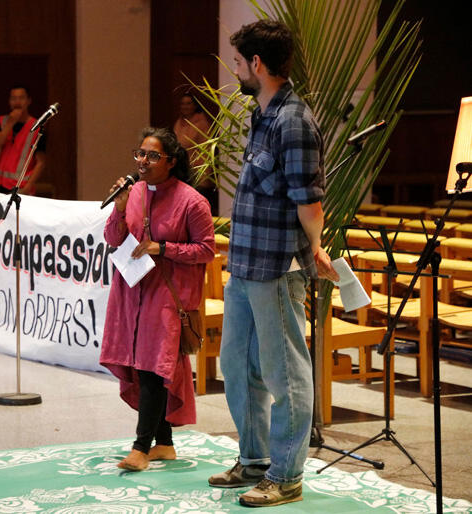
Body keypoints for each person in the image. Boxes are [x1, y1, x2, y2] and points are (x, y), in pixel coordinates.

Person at [206, 20, 339, 507]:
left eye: (238, 62)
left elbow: (310, 201)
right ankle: (255, 458)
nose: (235, 69)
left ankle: (286, 474)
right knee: (236, 364)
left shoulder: (293, 121)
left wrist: (317, 248)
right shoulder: (263, 114)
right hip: (245, 263)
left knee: (285, 371)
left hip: (278, 267)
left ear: (257, 64)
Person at [100, 127, 215, 472]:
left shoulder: (193, 201)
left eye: (152, 156)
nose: (143, 161)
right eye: (140, 154)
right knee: (139, 365)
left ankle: (140, 448)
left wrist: (162, 248)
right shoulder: (132, 192)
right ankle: (164, 443)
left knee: (153, 368)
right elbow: (112, 237)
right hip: (132, 290)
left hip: (168, 295)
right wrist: (120, 210)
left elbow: (206, 250)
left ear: (172, 161)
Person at [0, 85, 46, 195]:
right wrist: (10, 123)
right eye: (13, 98)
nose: (17, 102)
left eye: (21, 98)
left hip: (20, 186)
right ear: (9, 101)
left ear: (28, 101)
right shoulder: (3, 121)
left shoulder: (37, 126)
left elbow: (40, 162)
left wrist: (28, 187)